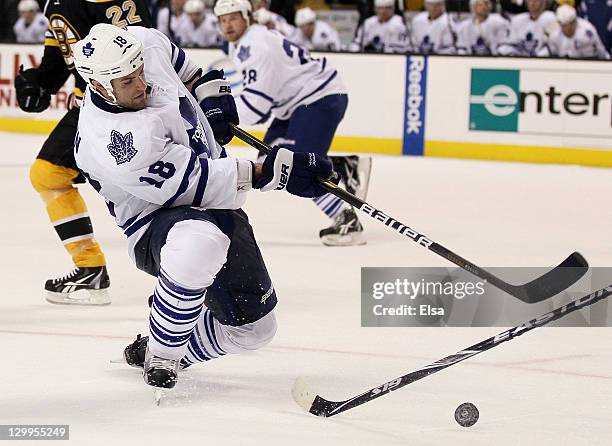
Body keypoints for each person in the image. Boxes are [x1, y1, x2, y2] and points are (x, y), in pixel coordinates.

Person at [72, 23, 335, 389]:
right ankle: (163, 354)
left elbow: (188, 71)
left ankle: (169, 347)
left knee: (256, 331)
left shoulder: (141, 44)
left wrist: (211, 97)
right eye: (127, 82)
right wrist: (271, 173)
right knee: (200, 242)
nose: (141, 85)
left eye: (140, 73)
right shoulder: (115, 143)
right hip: (154, 218)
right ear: (99, 86)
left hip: (217, 201)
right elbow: (197, 183)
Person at [13, 0, 151, 305]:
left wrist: (92, 94)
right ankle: (190, 272)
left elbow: (138, 52)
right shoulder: (57, 4)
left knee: (143, 188)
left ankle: (93, 270)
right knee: (52, 175)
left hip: (112, 104)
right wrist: (38, 84)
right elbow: (62, 57)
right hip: (103, 103)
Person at [215, 0, 372, 246]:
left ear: (247, 17)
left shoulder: (255, 46)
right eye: (222, 20)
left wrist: (215, 115)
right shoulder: (246, 42)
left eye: (233, 17)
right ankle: (343, 169)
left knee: (295, 165)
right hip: (297, 104)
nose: (228, 24)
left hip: (318, 98)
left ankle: (346, 218)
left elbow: (256, 110)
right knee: (267, 164)